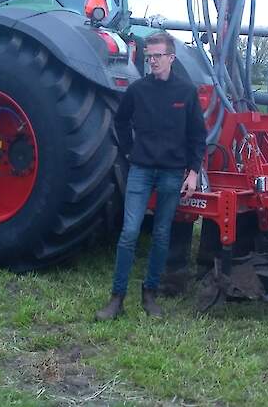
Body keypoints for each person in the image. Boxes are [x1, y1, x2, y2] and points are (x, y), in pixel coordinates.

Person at [96, 31, 207, 320]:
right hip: (141, 170)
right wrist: (131, 151)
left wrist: (193, 172)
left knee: (161, 235)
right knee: (130, 232)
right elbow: (120, 122)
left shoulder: (185, 92)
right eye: (149, 57)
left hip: (172, 173)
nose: (153, 61)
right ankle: (117, 298)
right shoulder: (138, 90)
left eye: (158, 56)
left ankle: (150, 295)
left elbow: (198, 135)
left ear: (171, 57)